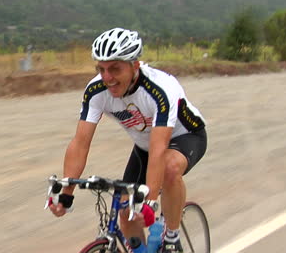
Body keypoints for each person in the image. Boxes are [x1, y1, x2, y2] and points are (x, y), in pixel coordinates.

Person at [48, 27, 207, 253]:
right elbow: (80, 143)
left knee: (169, 170)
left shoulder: (160, 90)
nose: (107, 77)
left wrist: (149, 202)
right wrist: (67, 191)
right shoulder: (96, 91)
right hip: (146, 147)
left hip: (185, 137)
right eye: (101, 69)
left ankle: (171, 237)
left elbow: (159, 149)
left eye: (115, 69)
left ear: (134, 65)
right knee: (125, 207)